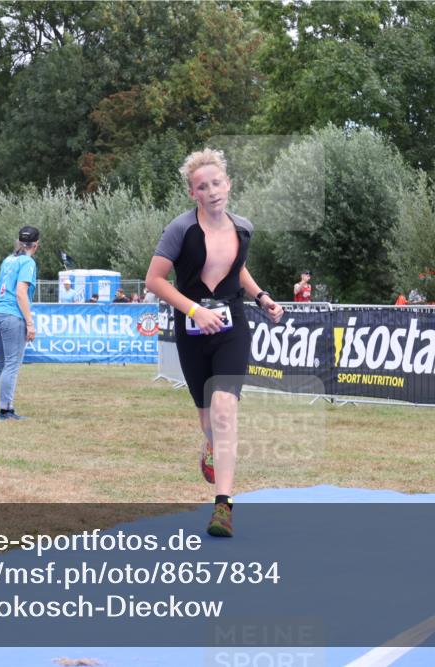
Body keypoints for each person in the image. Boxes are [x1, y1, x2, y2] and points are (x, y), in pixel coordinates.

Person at [145, 148, 284, 538]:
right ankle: (210, 447)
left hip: (232, 328)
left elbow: (237, 269)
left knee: (224, 409)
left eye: (217, 183)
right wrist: (194, 311)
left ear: (229, 185)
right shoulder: (180, 230)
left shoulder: (244, 228)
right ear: (194, 193)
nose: (212, 191)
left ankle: (223, 506)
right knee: (208, 420)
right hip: (192, 332)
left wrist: (261, 297)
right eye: (202, 186)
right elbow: (154, 281)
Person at [0, 226, 39, 421]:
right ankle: (5, 410)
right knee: (12, 364)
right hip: (13, 316)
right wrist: (30, 323)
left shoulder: (8, 260)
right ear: (36, 245)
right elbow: (21, 293)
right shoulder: (27, 262)